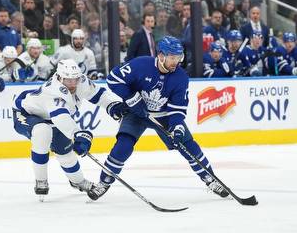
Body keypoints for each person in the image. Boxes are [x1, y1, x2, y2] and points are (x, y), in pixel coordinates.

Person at [87, 36, 230, 200]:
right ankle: (103, 183)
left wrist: (177, 127)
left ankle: (210, 179)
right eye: (172, 57)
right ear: (161, 56)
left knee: (188, 145)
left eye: (179, 57)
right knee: (123, 145)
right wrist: (132, 99)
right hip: (137, 113)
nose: (176, 62)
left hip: (164, 116)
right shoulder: (142, 64)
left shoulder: (180, 77)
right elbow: (113, 78)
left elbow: (177, 109)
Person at [12, 58, 124, 199]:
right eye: (68, 80)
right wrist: (78, 133)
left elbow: (98, 94)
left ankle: (78, 181)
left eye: (75, 79)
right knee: (42, 132)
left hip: (51, 118)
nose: (72, 84)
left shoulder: (81, 81)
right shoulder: (52, 92)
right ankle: (41, 180)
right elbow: (61, 118)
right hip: (26, 113)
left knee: (65, 152)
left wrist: (111, 105)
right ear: (59, 77)